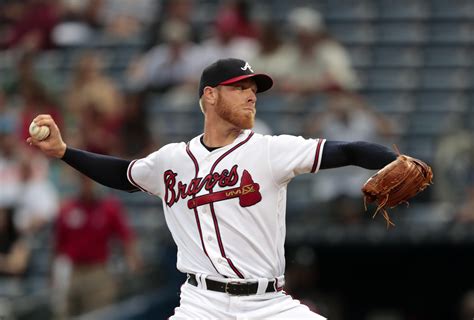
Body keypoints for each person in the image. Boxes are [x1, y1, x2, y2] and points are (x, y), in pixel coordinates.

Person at [28, 58, 399, 319]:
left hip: (267, 304)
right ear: (210, 95)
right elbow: (123, 174)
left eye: (254, 89)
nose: (252, 95)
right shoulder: (172, 159)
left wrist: (395, 159)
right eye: (240, 88)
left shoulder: (269, 150)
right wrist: (63, 152)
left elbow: (347, 149)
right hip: (200, 304)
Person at [51, 173, 142, 319]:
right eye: (83, 181)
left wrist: (132, 259)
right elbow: (57, 244)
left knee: (100, 314)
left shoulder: (108, 208)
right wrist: (53, 274)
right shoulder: (68, 209)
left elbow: (126, 236)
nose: (87, 185)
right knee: (66, 313)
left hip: (98, 271)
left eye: (90, 182)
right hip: (74, 271)